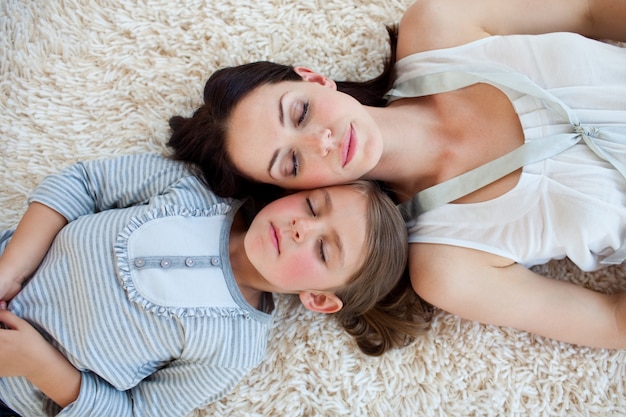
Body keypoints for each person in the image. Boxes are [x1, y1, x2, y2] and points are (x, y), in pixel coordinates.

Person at [168, 0, 626, 351]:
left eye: (301, 112)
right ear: (291, 190)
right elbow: (611, 322)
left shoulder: (438, 24)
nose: (320, 141)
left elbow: (590, 10)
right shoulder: (448, 266)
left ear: (313, 77)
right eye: (291, 163)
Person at [0, 153, 426, 417]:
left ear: (317, 299)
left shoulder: (233, 349)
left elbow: (135, 413)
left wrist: (36, 364)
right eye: (314, 205)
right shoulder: (195, 189)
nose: (302, 228)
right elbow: (82, 183)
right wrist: (11, 270)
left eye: (323, 251)